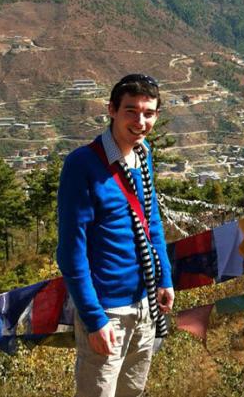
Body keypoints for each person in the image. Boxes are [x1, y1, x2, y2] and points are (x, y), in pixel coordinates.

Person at [57, 74, 174, 397]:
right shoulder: (83, 165)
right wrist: (94, 319)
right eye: (131, 111)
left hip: (146, 303)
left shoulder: (143, 154)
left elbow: (151, 220)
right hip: (108, 311)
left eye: (148, 113)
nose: (140, 121)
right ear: (111, 110)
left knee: (132, 392)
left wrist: (164, 277)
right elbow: (71, 252)